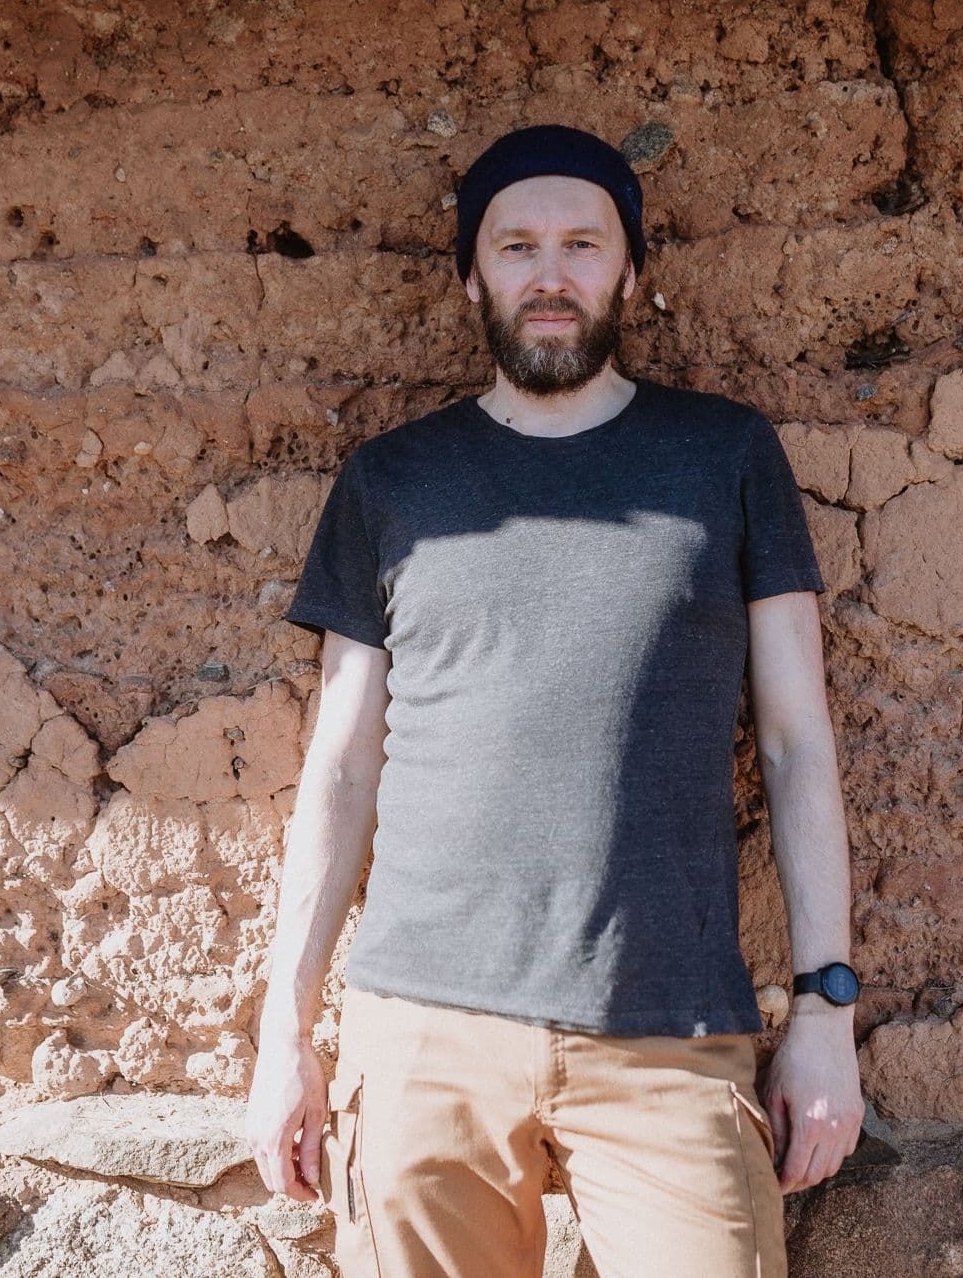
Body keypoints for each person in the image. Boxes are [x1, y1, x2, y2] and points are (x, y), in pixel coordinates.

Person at [245, 122, 866, 1278]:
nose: (549, 274)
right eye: (515, 244)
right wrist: (285, 1032)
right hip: (423, 1035)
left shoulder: (725, 455)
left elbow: (795, 747)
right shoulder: (390, 480)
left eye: (582, 244)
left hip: (669, 1036)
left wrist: (825, 1014)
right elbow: (340, 765)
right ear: (471, 275)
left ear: (629, 272)